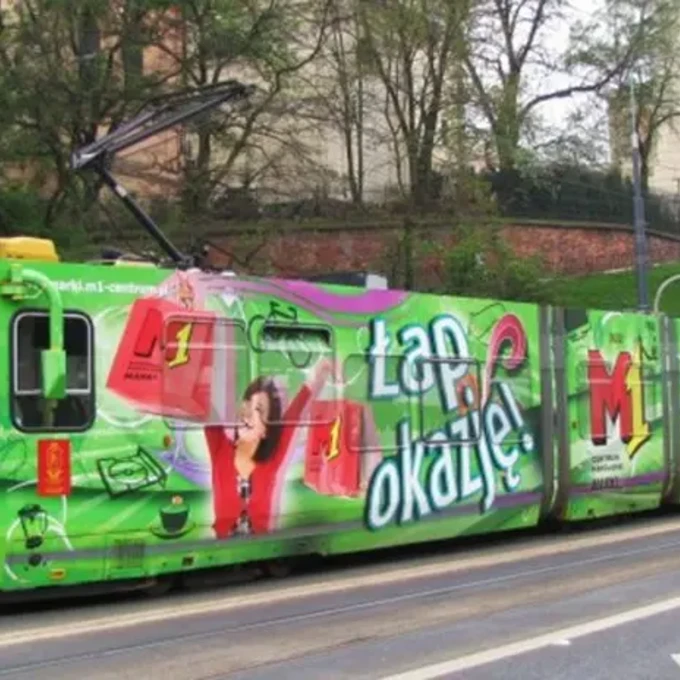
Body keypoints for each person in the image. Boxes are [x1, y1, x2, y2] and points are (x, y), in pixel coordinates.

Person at [204, 357, 340, 538]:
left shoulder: (273, 459)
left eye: (259, 410)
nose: (247, 414)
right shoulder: (219, 446)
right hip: (222, 549)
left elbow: (297, 411)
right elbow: (203, 401)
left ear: (266, 430)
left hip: (261, 548)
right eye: (247, 403)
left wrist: (324, 366)